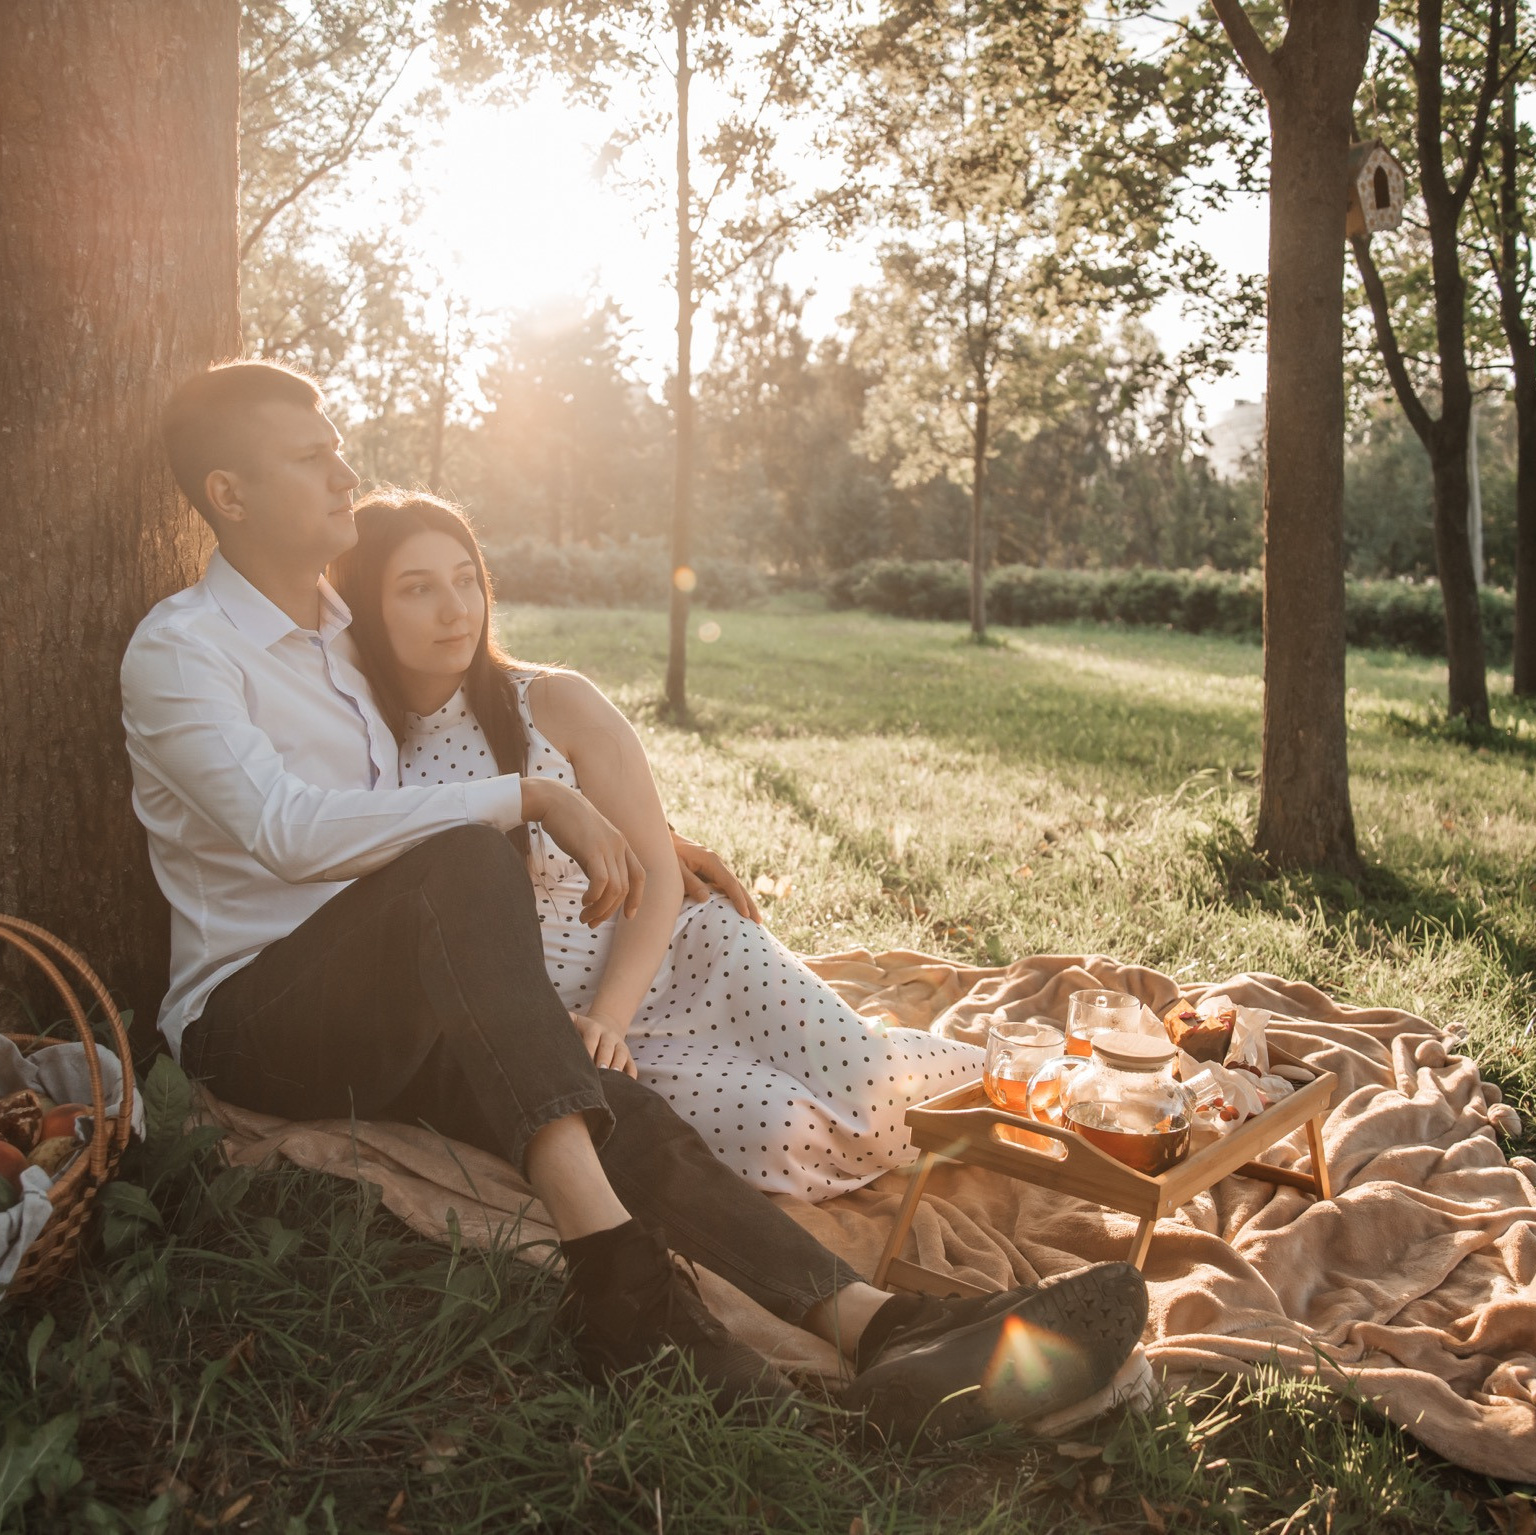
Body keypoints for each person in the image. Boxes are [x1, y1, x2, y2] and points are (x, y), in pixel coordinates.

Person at [119, 358, 1147, 1442]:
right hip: (255, 1018)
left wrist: (641, 835)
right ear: (228, 494)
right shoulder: (184, 652)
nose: (344, 470)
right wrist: (530, 795)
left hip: (404, 989)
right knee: (469, 858)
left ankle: (873, 1324)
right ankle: (620, 1274)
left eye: (337, 446)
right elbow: (286, 828)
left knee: (599, 1097)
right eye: (310, 455)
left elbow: (461, 721)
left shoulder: (346, 625)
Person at [329, 487, 983, 1203]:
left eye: (464, 579)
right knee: (780, 1132)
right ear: (363, 606)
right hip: (586, 1039)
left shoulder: (553, 701)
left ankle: (1014, 1071)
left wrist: (611, 1012)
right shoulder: (363, 748)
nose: (455, 609)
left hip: (679, 960)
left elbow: (660, 874)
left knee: (873, 1087)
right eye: (417, 589)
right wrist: (600, 1037)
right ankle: (873, 1086)